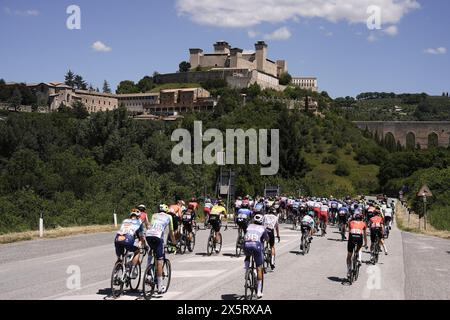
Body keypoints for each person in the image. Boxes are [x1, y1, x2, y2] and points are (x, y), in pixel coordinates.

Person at [145, 204, 176, 294]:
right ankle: (160, 286)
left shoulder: (154, 215)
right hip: (158, 237)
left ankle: (148, 273)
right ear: (166, 211)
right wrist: (174, 243)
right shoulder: (169, 216)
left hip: (149, 235)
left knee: (151, 250)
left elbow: (151, 226)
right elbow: (171, 232)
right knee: (159, 261)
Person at [114, 211, 146, 278]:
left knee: (120, 258)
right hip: (128, 238)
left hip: (117, 238)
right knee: (137, 251)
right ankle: (132, 271)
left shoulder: (125, 220)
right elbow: (141, 236)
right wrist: (145, 245)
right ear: (138, 217)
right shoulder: (139, 221)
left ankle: (115, 274)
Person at [244, 214, 269, 299]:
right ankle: (258, 292)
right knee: (259, 267)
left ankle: (247, 270)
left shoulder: (249, 225)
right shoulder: (263, 228)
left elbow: (246, 234)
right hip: (256, 245)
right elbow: (266, 239)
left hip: (246, 244)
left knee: (247, 256)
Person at [346, 212, 368, 278]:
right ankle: (360, 259)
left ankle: (349, 270)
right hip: (359, 238)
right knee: (360, 247)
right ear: (361, 218)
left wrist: (348, 240)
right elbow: (364, 235)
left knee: (349, 255)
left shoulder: (351, 222)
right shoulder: (363, 223)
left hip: (351, 238)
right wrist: (366, 243)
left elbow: (349, 232)